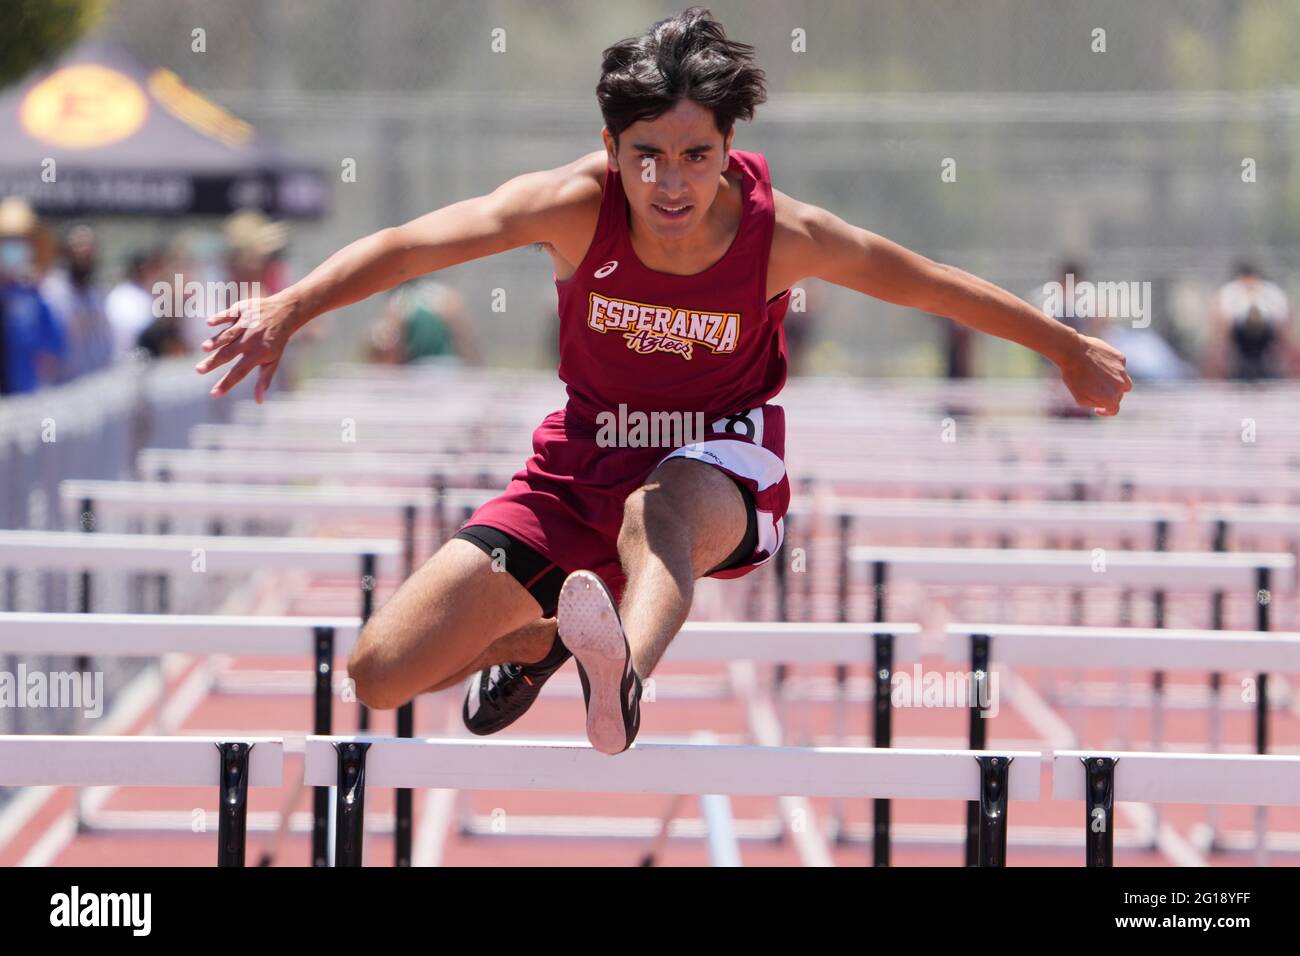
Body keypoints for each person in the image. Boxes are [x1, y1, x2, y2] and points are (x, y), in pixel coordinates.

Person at [196, 8, 1130, 755]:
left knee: (659, 512)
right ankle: (553, 637)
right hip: (579, 466)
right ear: (611, 148)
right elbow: (412, 245)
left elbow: (926, 281)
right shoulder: (572, 208)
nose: (671, 183)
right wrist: (291, 308)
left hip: (723, 465)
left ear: (729, 147)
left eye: (695, 155)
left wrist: (1063, 347)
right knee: (379, 673)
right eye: (647, 156)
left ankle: (621, 678)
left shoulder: (784, 235)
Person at [0, 197, 64, 396]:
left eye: (21, 240)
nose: (15, 247)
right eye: (8, 240)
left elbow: (52, 352)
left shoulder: (33, 297)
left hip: (24, 399)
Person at [40, 224, 114, 383]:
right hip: (61, 387)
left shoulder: (98, 294)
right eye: (78, 247)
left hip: (96, 386)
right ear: (66, 253)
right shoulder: (51, 292)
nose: (84, 253)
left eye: (89, 249)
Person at [1206, 262, 1294, 381]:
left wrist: (1285, 346)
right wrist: (1220, 347)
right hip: (1239, 332)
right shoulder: (1231, 291)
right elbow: (1221, 320)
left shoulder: (1270, 291)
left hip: (1266, 331)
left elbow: (1283, 318)